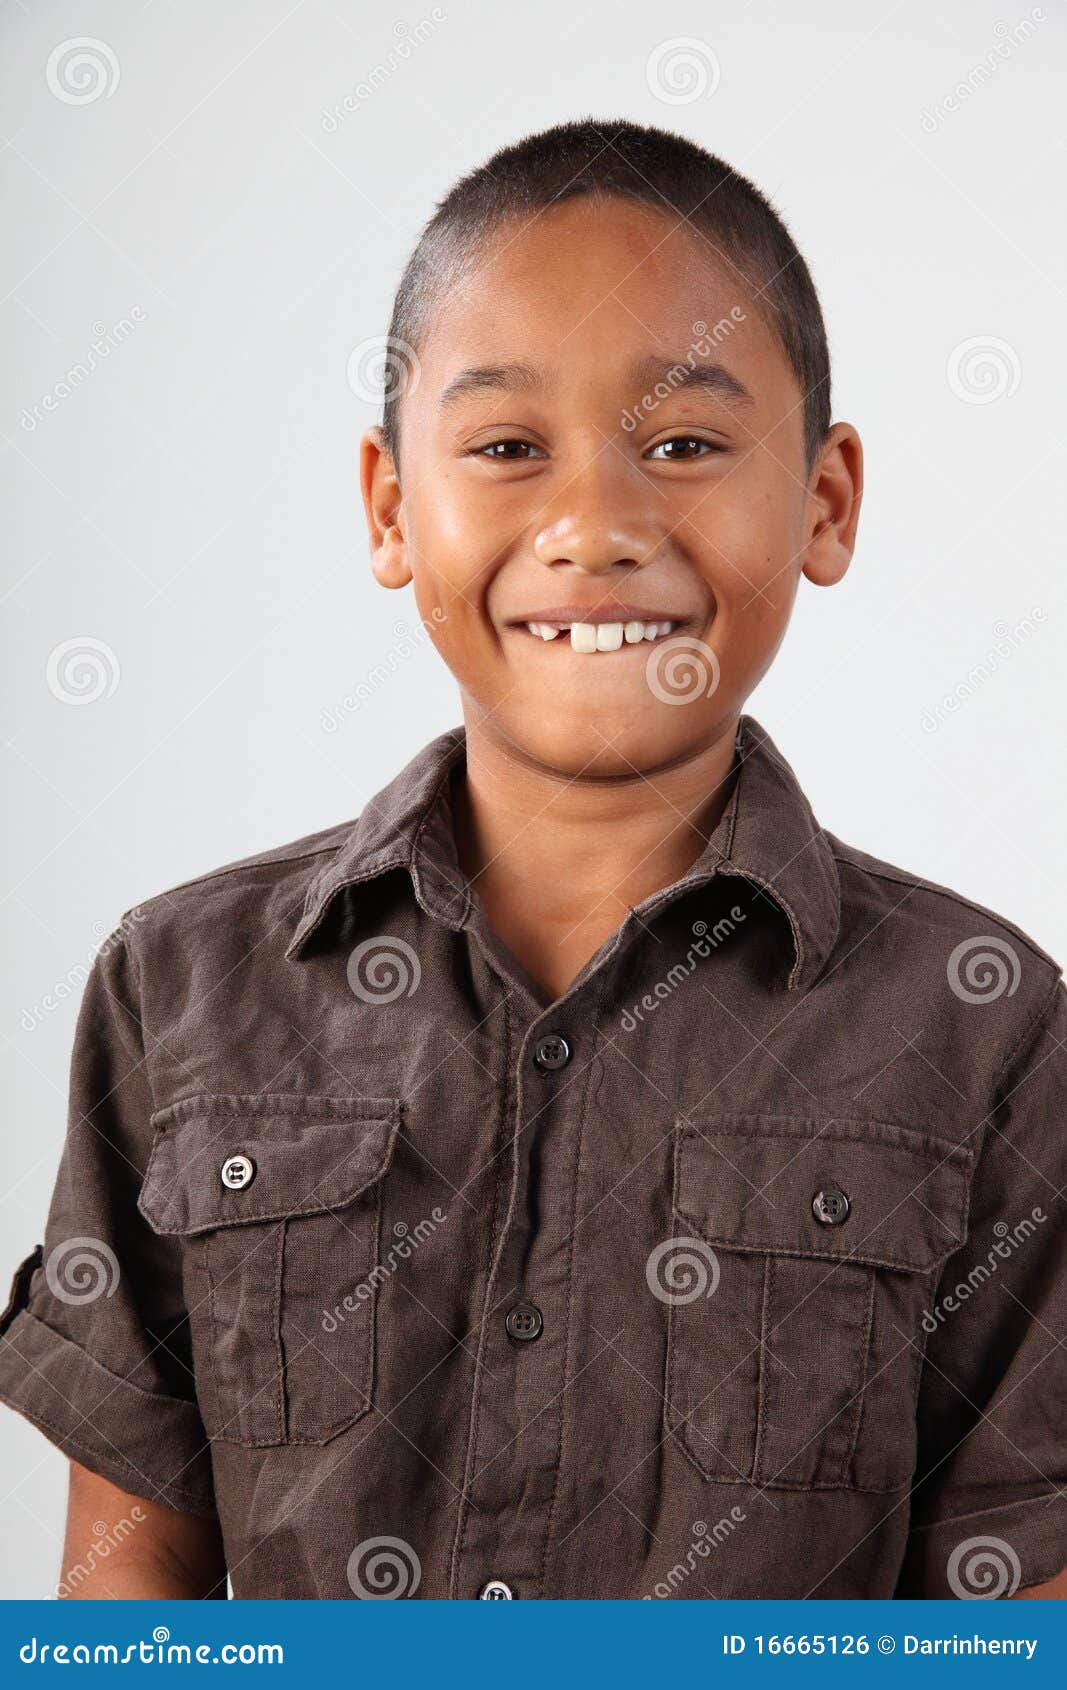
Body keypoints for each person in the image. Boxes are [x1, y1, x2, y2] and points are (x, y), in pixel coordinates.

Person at [2, 118, 1064, 1601]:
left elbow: (1016, 1620)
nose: (596, 524)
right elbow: (127, 1600)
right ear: (390, 504)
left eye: (685, 444)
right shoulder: (176, 990)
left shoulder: (987, 1023)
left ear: (825, 502)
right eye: (508, 447)